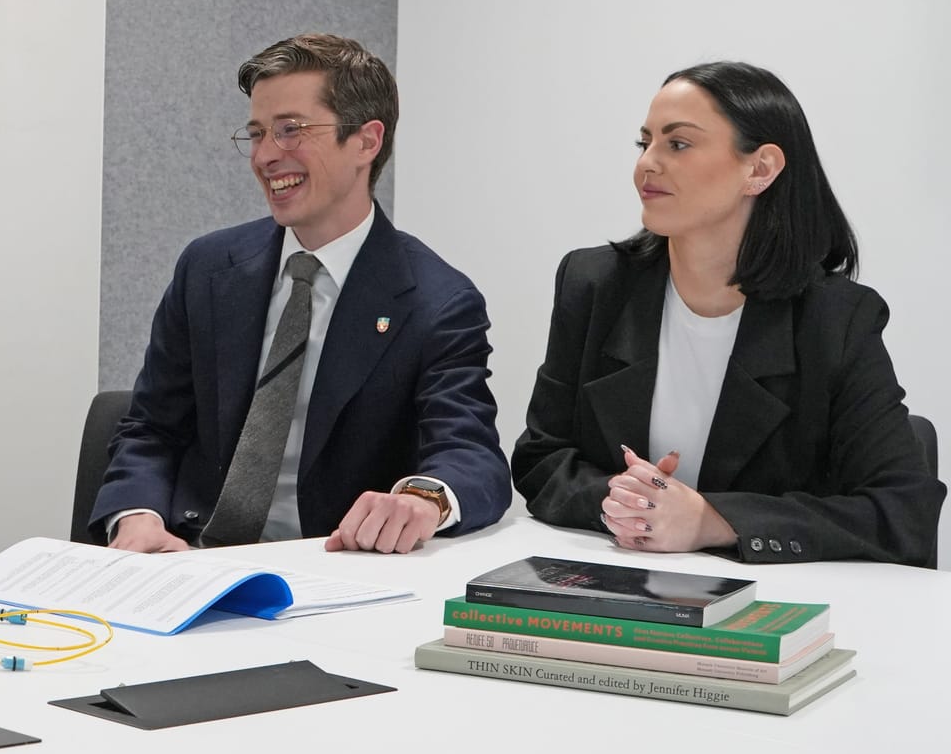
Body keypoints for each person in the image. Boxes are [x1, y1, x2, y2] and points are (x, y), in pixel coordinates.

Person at [90, 33, 511, 554]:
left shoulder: (436, 301)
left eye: (291, 131)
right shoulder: (207, 268)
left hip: (331, 572)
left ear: (366, 141)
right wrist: (137, 518)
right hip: (190, 560)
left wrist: (423, 500)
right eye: (257, 134)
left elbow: (470, 455)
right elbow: (151, 428)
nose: (266, 156)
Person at [512, 61, 942, 565]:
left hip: (778, 604)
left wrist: (711, 520)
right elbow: (542, 458)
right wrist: (625, 501)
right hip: (621, 578)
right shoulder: (593, 284)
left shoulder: (836, 320)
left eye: (678, 144)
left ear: (759, 169)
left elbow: (903, 511)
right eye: (644, 143)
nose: (647, 164)